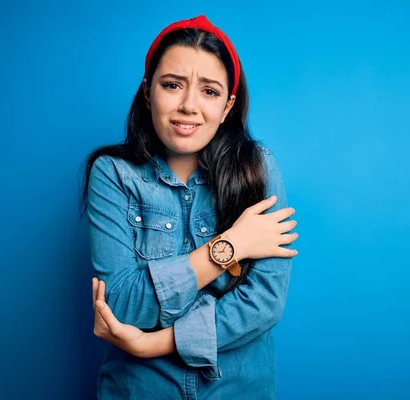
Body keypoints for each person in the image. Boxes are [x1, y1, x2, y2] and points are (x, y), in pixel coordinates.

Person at [81, 15, 298, 399]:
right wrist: (229, 246)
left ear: (228, 105)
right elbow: (121, 304)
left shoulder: (259, 169)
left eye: (209, 92)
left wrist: (153, 343)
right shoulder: (112, 174)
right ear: (148, 93)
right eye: (172, 85)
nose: (188, 106)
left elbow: (264, 304)